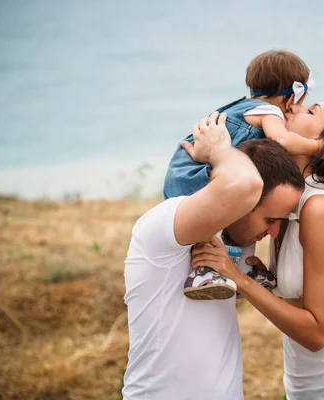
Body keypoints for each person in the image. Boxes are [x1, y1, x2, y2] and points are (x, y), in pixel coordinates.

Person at [191, 102, 324, 399]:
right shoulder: (290, 202)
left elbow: (316, 333)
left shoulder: (318, 208)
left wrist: (239, 277)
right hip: (303, 392)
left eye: (311, 112)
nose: (294, 108)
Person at [122, 112, 305, 400]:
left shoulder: (232, 242)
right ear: (242, 202)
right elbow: (245, 184)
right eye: (270, 219)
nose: (273, 232)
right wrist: (219, 149)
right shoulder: (163, 225)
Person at [164, 50, 319, 300]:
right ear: (290, 98)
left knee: (245, 213)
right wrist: (318, 146)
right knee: (218, 221)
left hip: (183, 171)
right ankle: (203, 272)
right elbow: (283, 139)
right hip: (199, 173)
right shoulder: (270, 113)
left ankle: (244, 269)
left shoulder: (243, 107)